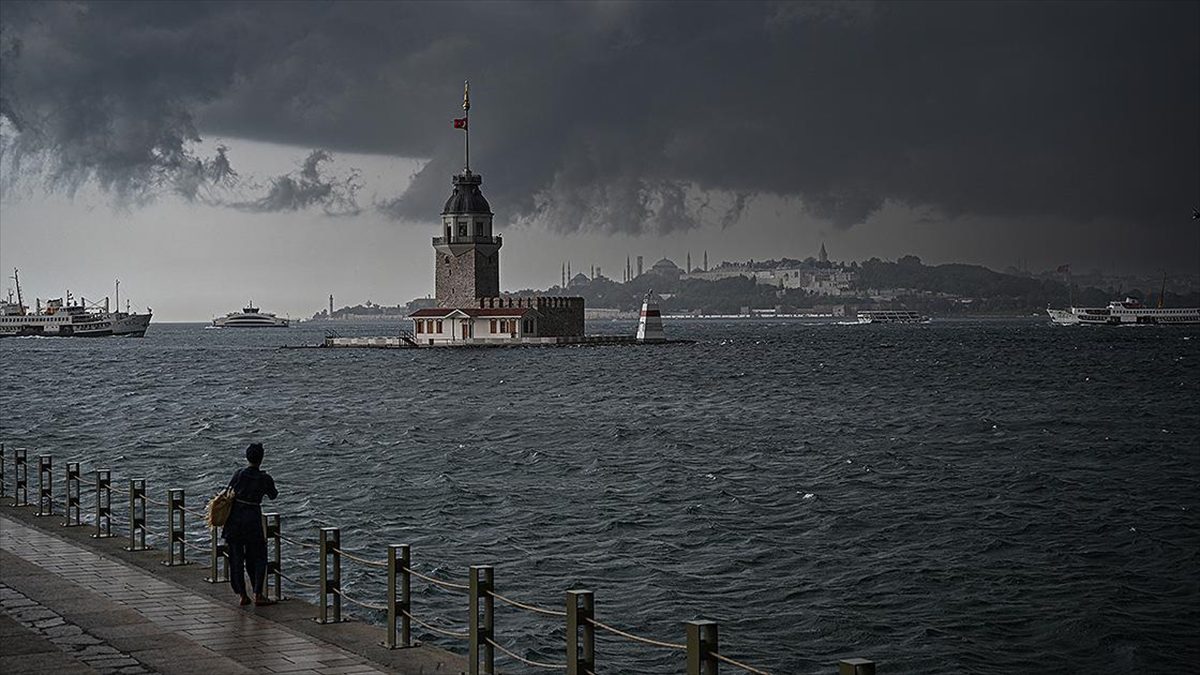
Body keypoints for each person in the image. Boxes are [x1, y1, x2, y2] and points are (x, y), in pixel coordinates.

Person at [223, 442, 278, 606]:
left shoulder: (239, 474)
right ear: (261, 459)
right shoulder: (264, 478)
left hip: (235, 520)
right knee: (259, 557)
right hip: (253, 520)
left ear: (247, 457)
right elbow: (273, 495)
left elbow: (228, 491)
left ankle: (242, 594)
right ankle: (258, 593)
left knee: (236, 559)